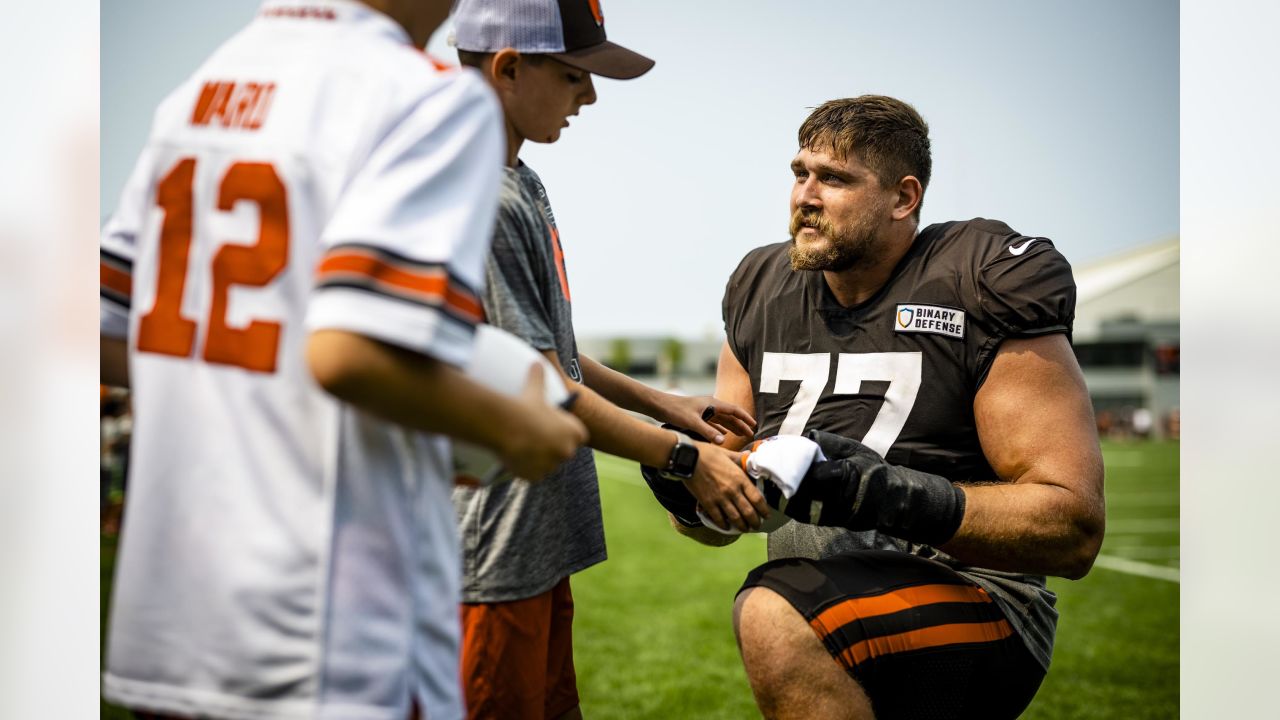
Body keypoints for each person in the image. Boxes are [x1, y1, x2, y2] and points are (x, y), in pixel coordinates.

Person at [98, 1, 587, 718]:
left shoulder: (201, 88)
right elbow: (348, 353)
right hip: (329, 627)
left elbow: (105, 328)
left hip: (174, 611)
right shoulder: (421, 93)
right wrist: (517, 425)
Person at [661, 96, 1105, 719]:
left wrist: (878, 493)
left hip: (977, 597)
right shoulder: (760, 289)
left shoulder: (978, 283)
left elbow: (1072, 527)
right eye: (800, 173)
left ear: (903, 198)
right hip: (822, 595)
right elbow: (723, 515)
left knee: (773, 610)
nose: (805, 196)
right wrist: (686, 485)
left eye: (835, 178)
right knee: (781, 603)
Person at [446, 1, 767, 717]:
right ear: (507, 68)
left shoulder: (518, 179)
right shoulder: (481, 196)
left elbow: (545, 347)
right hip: (487, 549)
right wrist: (683, 457)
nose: (588, 97)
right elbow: (542, 385)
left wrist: (664, 404)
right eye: (572, 76)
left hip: (529, 539)